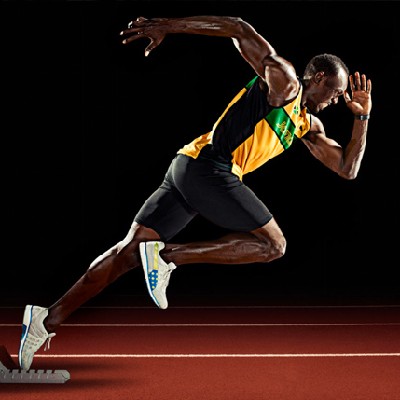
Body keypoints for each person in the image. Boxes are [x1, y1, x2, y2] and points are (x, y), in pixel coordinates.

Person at [18, 15, 372, 371]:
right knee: (274, 245)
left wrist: (362, 118)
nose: (336, 100)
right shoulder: (286, 83)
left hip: (188, 170)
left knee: (128, 254)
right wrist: (167, 26)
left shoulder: (307, 126)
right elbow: (239, 28)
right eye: (336, 92)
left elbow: (347, 168)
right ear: (319, 78)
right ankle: (168, 257)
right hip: (210, 167)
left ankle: (45, 320)